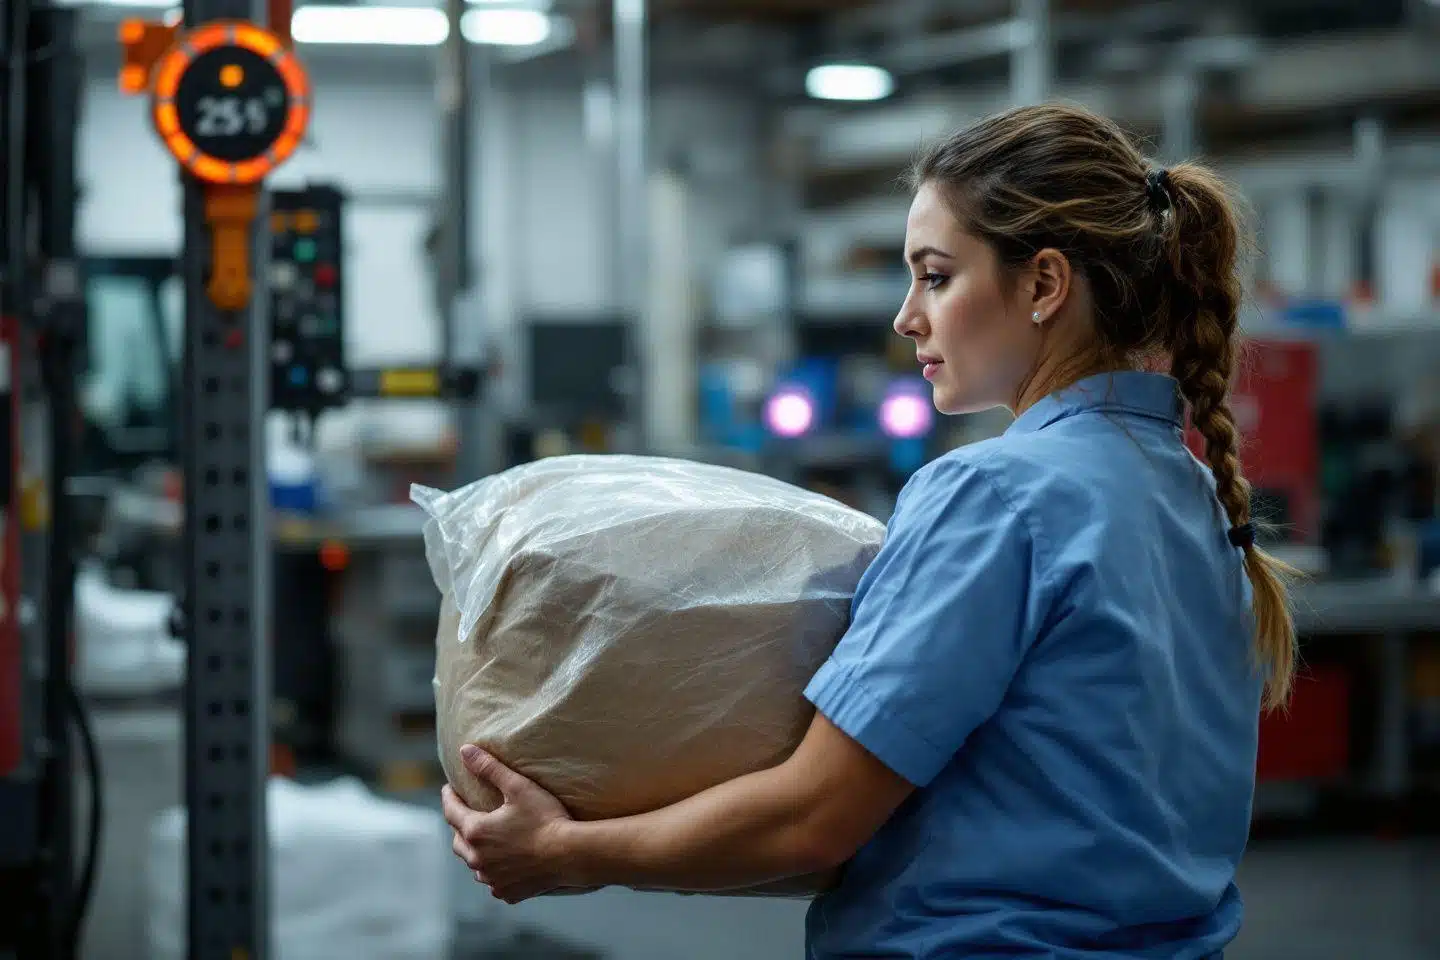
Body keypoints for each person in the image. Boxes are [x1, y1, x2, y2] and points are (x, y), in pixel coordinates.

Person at [441, 102, 1298, 959]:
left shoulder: (996, 497)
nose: (907, 317)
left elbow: (815, 816)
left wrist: (567, 851)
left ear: (1044, 285)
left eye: (936, 277)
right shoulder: (1191, 492)